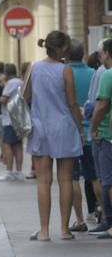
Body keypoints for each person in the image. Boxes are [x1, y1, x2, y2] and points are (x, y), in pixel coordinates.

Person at [23, 31, 84, 241]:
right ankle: (65, 230)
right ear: (64, 48)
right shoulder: (65, 70)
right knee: (65, 179)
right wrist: (81, 129)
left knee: (43, 181)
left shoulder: (34, 67)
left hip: (40, 127)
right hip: (64, 127)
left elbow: (26, 96)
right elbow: (72, 102)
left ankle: (44, 230)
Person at [66, 41, 97, 229]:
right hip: (92, 130)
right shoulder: (94, 73)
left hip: (71, 132)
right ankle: (103, 213)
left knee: (73, 177)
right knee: (95, 176)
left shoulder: (64, 73)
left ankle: (80, 220)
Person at [88, 38, 112, 238]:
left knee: (107, 180)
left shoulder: (107, 75)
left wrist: (93, 128)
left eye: (100, 53)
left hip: (107, 135)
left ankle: (110, 222)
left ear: (106, 54)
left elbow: (102, 105)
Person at [0, 64, 26, 182]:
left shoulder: (11, 83)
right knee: (18, 146)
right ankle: (18, 171)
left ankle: (9, 171)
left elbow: (4, 99)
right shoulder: (21, 82)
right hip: (19, 118)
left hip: (9, 119)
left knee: (7, 145)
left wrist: (0, 99)